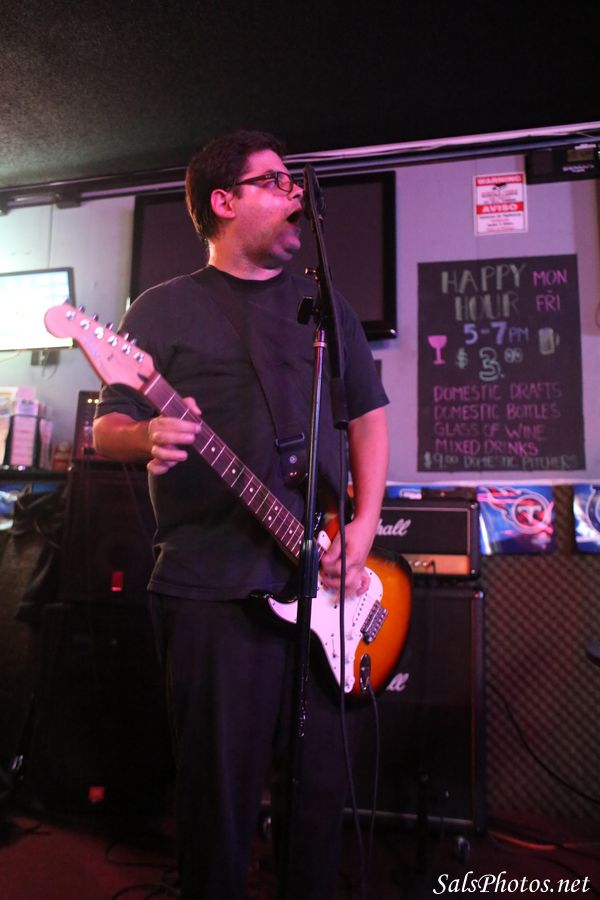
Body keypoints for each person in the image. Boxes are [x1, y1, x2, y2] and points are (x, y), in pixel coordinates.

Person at [93, 129, 389, 899]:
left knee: (317, 802)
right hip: (210, 588)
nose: (295, 193)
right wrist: (145, 435)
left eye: (295, 183)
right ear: (223, 202)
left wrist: (363, 528)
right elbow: (107, 427)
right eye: (275, 181)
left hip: (320, 588)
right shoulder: (164, 308)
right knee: (217, 803)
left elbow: (368, 418)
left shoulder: (323, 307)